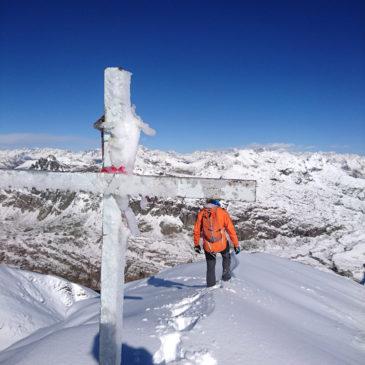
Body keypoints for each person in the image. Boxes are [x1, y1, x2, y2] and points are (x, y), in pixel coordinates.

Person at [193, 198, 240, 287]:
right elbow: (231, 230)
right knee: (226, 257)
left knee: (210, 266)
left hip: (208, 245)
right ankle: (226, 278)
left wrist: (196, 244)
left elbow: (196, 230)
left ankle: (210, 285)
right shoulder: (222, 212)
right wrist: (236, 244)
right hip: (222, 244)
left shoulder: (202, 213)